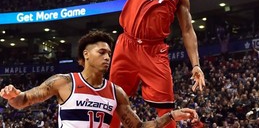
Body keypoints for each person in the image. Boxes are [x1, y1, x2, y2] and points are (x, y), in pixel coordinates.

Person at [0, 30, 200, 128]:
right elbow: (23, 101)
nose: (107, 57)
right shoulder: (64, 82)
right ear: (86, 54)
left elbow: (139, 127)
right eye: (101, 52)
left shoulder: (116, 92)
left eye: (109, 53)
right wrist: (12, 96)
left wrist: (171, 116)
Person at [106, 0, 205, 128]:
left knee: (166, 107)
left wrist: (196, 65)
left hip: (154, 51)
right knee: (114, 100)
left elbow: (188, 30)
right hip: (127, 45)